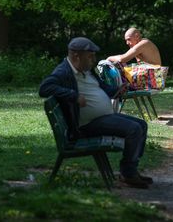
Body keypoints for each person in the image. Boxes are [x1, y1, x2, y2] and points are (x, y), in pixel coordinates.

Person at [39, 37, 153, 189]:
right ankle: (128, 174)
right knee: (134, 129)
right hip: (87, 125)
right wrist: (74, 96)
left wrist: (118, 90)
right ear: (76, 56)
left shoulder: (86, 70)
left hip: (103, 117)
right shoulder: (63, 71)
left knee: (141, 125)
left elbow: (103, 88)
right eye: (90, 56)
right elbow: (44, 88)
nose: (93, 60)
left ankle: (130, 170)